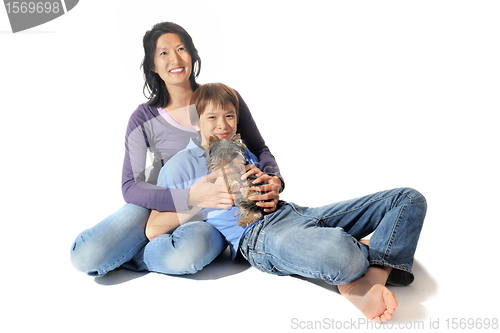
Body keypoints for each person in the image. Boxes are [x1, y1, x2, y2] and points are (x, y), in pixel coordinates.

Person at [146, 83, 427, 322]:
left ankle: (373, 272)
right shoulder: (179, 165)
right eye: (212, 118)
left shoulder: (237, 148)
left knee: (408, 199)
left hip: (292, 212)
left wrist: (270, 186)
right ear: (196, 121)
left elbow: (266, 183)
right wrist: (198, 200)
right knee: (344, 256)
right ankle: (364, 259)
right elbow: (153, 228)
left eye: (230, 116)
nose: (224, 125)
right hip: (256, 236)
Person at [70, 22, 283, 277]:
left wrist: (275, 180)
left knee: (186, 254)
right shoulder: (142, 118)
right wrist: (189, 198)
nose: (175, 58)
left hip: (215, 209)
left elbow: (260, 149)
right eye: (164, 53)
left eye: (181, 49)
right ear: (152, 65)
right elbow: (130, 186)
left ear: (192, 54)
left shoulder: (221, 99)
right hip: (160, 203)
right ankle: (141, 247)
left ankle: (138, 255)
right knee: (87, 255)